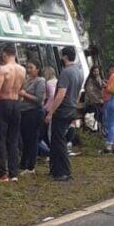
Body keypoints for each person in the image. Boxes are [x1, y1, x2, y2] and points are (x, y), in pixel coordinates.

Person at [0, 45, 25, 182]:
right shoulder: (22, 70)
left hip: (3, 103)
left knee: (0, 139)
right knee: (13, 140)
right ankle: (14, 173)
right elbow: (20, 88)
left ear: (4, 55)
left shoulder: (3, 69)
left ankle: (2, 174)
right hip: (16, 103)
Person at [45, 47, 83, 180]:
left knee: (59, 141)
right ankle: (54, 169)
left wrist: (51, 112)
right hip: (71, 109)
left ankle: (64, 171)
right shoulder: (78, 72)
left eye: (62, 56)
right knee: (56, 140)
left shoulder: (66, 72)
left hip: (62, 110)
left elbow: (60, 94)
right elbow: (78, 93)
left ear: (65, 57)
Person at [18, 59, 46, 174]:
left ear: (37, 69)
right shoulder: (27, 80)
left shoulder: (40, 81)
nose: (28, 70)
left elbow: (39, 100)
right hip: (23, 112)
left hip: (34, 112)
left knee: (32, 139)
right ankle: (23, 163)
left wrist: (25, 95)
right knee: (25, 139)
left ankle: (31, 166)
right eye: (27, 68)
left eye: (31, 68)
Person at [40, 66, 58, 151]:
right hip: (57, 108)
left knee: (46, 131)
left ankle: (50, 149)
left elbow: (52, 94)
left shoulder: (49, 83)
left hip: (49, 108)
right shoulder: (57, 81)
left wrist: (46, 105)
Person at [83, 66, 105, 133]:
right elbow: (90, 92)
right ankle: (97, 130)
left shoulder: (99, 78)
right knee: (97, 115)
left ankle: (101, 130)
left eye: (97, 71)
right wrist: (99, 100)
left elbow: (101, 89)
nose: (96, 73)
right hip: (91, 102)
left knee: (101, 115)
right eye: (94, 71)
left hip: (99, 101)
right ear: (92, 72)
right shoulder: (90, 80)